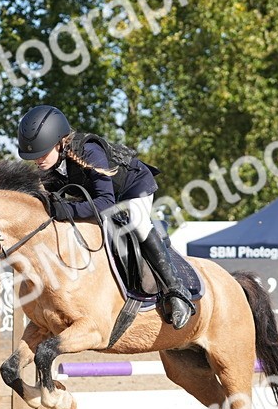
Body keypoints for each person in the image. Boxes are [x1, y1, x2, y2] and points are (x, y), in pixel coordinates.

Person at [16, 104, 194, 329]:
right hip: (99, 197)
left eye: (42, 152)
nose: (38, 160)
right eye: (34, 156)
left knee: (138, 224)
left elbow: (106, 203)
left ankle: (176, 290)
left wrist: (67, 210)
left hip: (132, 188)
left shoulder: (89, 152)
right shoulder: (48, 168)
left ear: (60, 143)